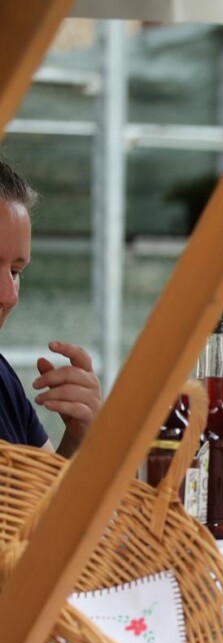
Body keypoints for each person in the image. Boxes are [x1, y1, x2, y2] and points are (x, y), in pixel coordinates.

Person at [0, 158, 102, 457]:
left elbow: (46, 501)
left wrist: (80, 439)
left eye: (16, 272)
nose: (9, 296)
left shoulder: (3, 381)